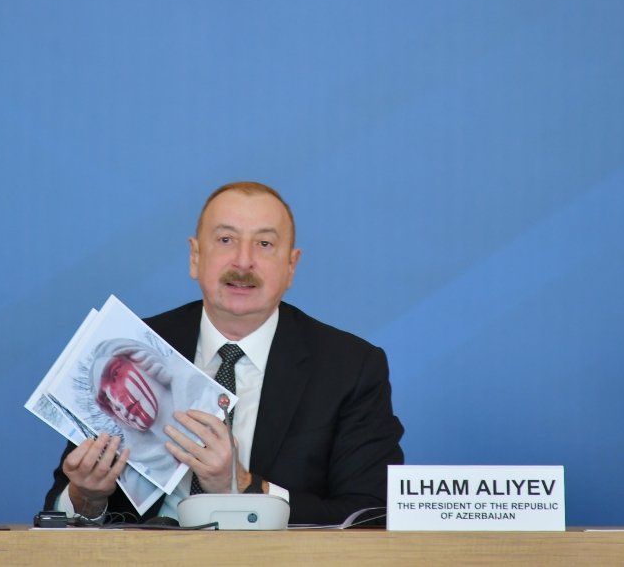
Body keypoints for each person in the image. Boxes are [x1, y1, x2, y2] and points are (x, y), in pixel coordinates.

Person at [44, 181, 405, 524]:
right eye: (225, 240)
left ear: (291, 266)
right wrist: (86, 497)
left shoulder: (349, 367)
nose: (243, 262)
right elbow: (62, 507)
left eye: (264, 244)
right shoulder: (126, 354)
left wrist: (244, 487)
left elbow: (370, 513)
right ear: (195, 256)